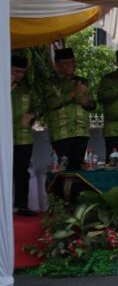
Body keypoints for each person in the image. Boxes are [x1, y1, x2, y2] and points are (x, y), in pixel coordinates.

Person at [44, 47, 95, 171]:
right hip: (62, 133)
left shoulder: (83, 82)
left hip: (81, 132)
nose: (71, 65)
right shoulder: (50, 83)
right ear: (57, 65)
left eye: (73, 62)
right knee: (61, 169)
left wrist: (86, 102)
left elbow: (93, 105)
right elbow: (50, 103)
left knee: (79, 170)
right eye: (66, 63)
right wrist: (72, 93)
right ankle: (59, 191)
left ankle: (78, 191)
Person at [12, 54, 41, 216]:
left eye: (22, 72)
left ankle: (22, 206)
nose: (20, 75)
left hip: (23, 138)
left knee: (22, 172)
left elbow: (39, 106)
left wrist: (31, 114)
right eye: (16, 71)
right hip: (5, 139)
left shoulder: (28, 89)